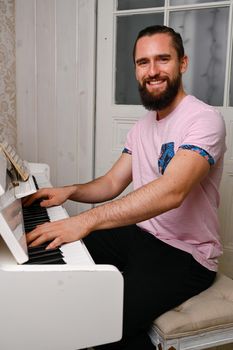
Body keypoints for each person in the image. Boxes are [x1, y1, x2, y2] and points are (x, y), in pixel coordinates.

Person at [24, 25, 226, 350]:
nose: (153, 71)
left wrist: (85, 219)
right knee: (53, 254)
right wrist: (69, 191)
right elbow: (112, 182)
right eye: (143, 62)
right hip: (141, 234)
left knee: (96, 320)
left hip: (186, 254)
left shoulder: (203, 120)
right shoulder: (142, 127)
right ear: (135, 69)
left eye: (163, 59)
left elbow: (172, 191)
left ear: (183, 63)